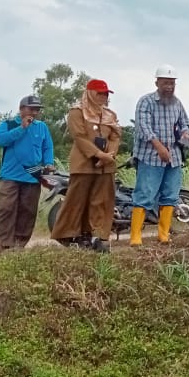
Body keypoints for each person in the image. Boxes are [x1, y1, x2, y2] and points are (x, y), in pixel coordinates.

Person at [50, 79, 121, 252]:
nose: (103, 97)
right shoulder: (77, 112)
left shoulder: (109, 114)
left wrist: (109, 154)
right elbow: (79, 137)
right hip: (84, 164)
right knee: (77, 200)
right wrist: (98, 154)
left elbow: (115, 136)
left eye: (105, 94)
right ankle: (68, 235)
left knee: (102, 200)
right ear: (89, 93)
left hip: (105, 166)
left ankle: (98, 236)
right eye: (100, 93)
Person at [130, 65, 189, 246]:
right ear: (157, 82)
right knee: (145, 194)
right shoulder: (146, 102)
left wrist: (186, 133)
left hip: (174, 158)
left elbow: (185, 123)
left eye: (172, 83)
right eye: (165, 83)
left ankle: (163, 235)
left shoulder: (177, 103)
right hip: (150, 157)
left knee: (170, 196)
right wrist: (159, 147)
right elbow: (143, 128)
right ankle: (135, 237)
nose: (169, 87)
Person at [0, 95, 54, 251]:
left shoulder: (42, 127)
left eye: (37, 109)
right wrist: (21, 128)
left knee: (28, 211)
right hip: (10, 175)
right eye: (31, 108)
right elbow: (0, 140)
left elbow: (47, 147)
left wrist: (48, 163)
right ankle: (2, 243)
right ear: (21, 109)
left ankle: (19, 244)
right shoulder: (9, 124)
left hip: (33, 176)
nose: (34, 112)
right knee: (6, 209)